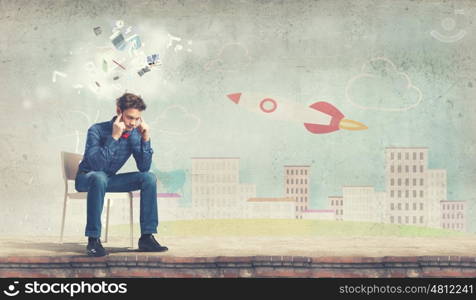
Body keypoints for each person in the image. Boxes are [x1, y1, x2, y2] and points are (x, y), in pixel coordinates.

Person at [75, 93, 168, 257]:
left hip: (107, 179)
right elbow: (97, 166)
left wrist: (145, 139)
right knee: (99, 176)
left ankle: (147, 237)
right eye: (129, 117)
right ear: (119, 111)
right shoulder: (96, 130)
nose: (133, 123)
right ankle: (93, 240)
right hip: (87, 178)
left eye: (136, 118)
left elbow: (144, 167)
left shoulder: (134, 134)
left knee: (149, 178)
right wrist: (114, 137)